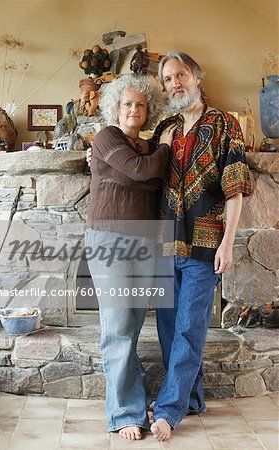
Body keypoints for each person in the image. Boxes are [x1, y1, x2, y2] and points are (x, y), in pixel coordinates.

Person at [149, 52, 252, 441]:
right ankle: (191, 400)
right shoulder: (165, 127)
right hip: (164, 241)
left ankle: (168, 411)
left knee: (189, 328)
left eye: (180, 74)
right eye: (168, 78)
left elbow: (236, 187)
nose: (174, 82)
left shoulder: (225, 124)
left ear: (196, 76)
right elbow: (141, 169)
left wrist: (228, 242)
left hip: (206, 244)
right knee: (167, 328)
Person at [85, 74, 175, 441]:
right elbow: (144, 172)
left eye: (140, 104)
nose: (134, 109)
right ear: (116, 108)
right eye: (127, 104)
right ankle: (123, 413)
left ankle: (135, 403)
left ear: (148, 109)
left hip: (143, 241)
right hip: (109, 240)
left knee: (131, 328)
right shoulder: (107, 137)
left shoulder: (147, 145)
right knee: (118, 327)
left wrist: (152, 166)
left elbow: (152, 178)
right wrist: (162, 154)